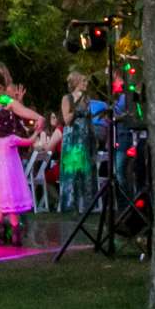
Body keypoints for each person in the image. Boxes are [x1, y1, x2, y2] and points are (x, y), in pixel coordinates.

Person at [0, 66, 44, 246]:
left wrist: (38, 119)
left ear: (3, 88)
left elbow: (23, 111)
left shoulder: (4, 100)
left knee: (8, 191)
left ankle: (6, 231)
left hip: (7, 147)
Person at [58, 69, 97, 211]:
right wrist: (77, 109)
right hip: (72, 139)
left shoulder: (87, 99)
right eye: (83, 81)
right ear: (75, 82)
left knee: (85, 173)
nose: (86, 83)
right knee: (72, 173)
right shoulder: (67, 98)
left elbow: (91, 120)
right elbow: (66, 120)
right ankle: (70, 206)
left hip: (85, 138)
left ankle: (86, 206)